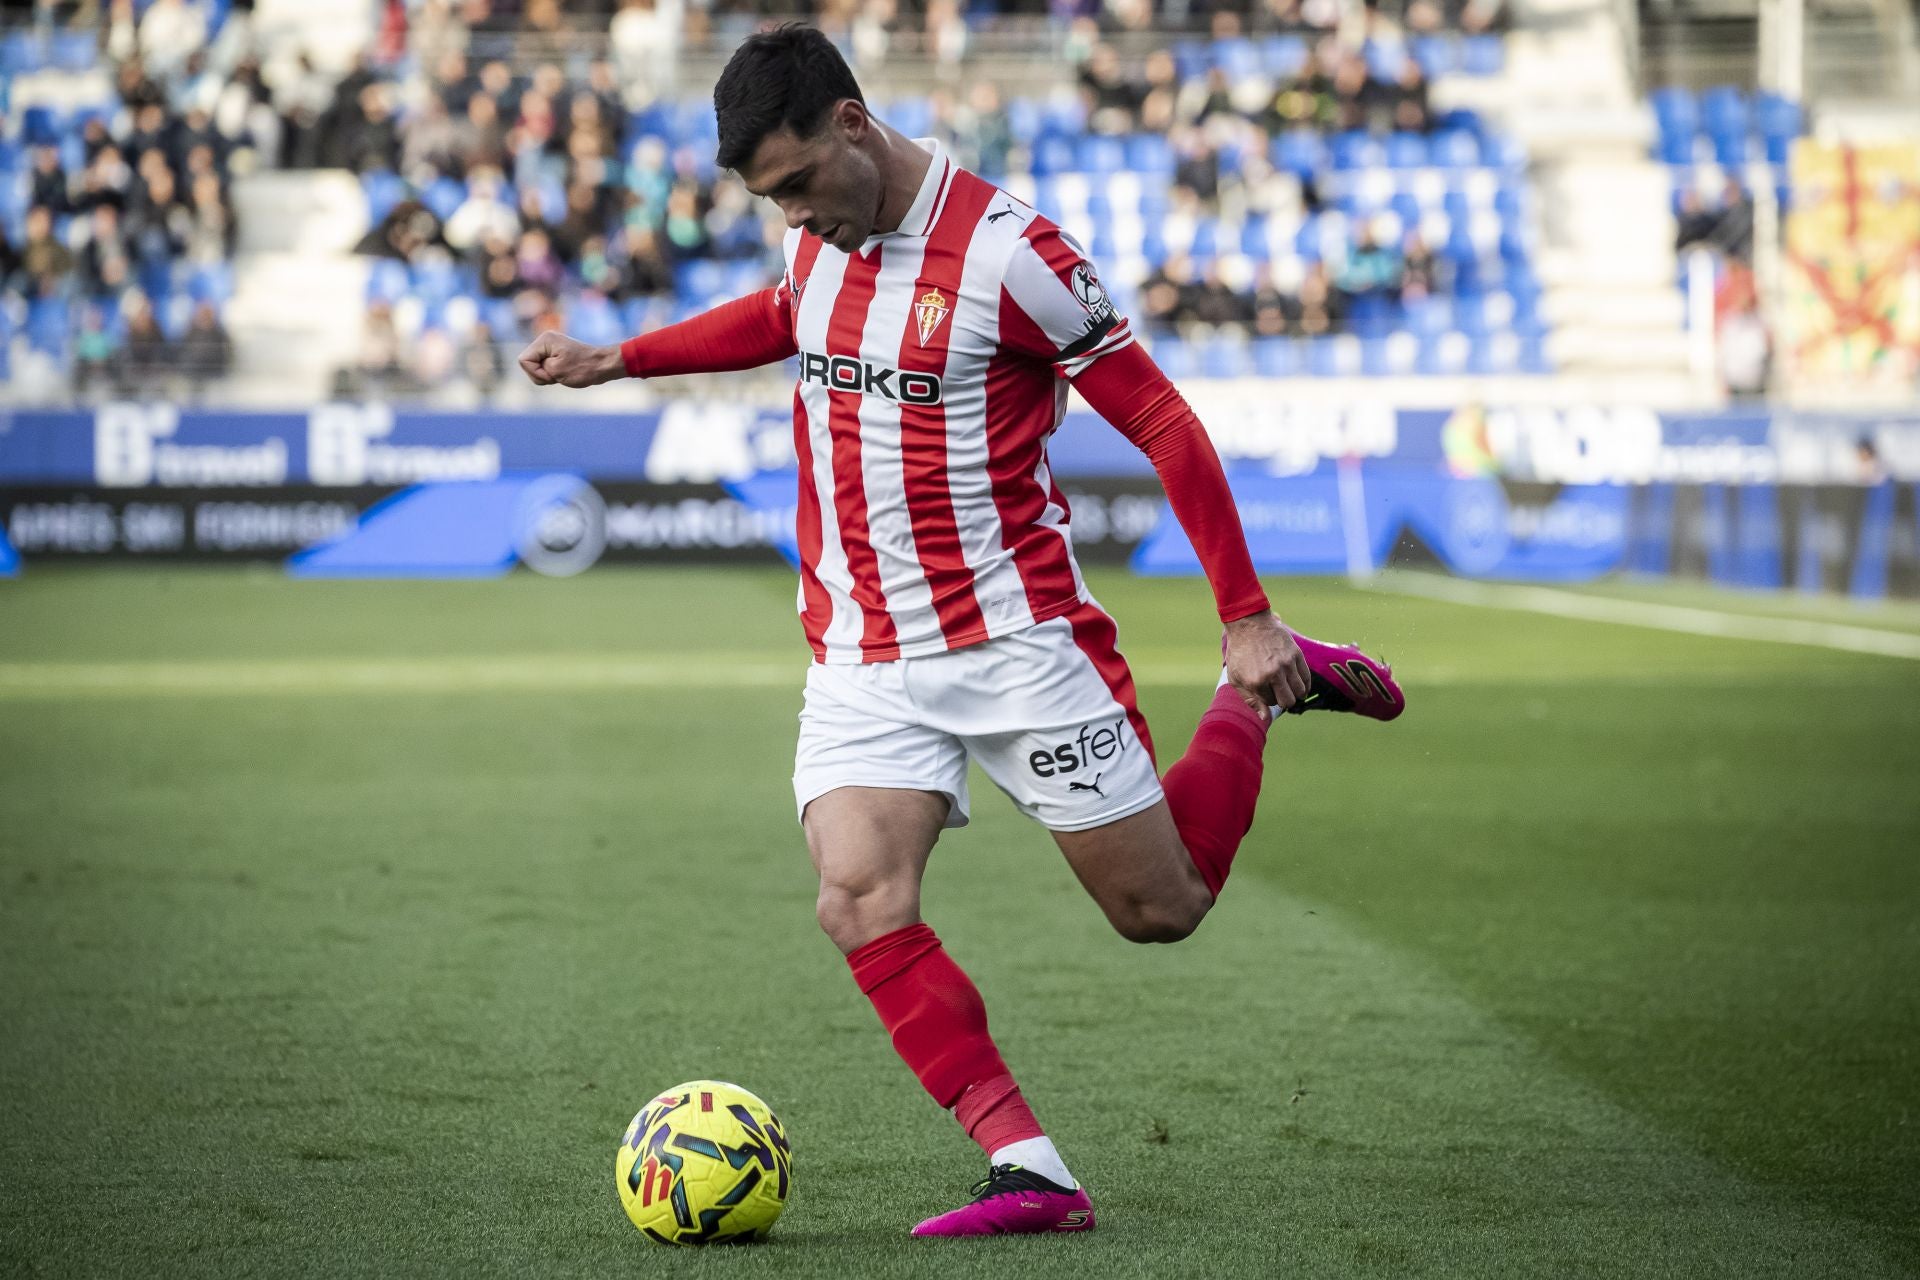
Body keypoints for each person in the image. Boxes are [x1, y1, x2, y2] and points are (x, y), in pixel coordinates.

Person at [517, 25, 1404, 1239]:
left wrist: (1245, 616)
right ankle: (1030, 1168)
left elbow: (1163, 422)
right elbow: (785, 314)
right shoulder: (818, 236)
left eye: (797, 184)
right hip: (859, 649)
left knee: (1161, 906)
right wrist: (619, 358)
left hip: (1012, 639)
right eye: (772, 200)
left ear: (852, 122)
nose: (793, 216)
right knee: (857, 896)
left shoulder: (1013, 255)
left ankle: (1256, 692)